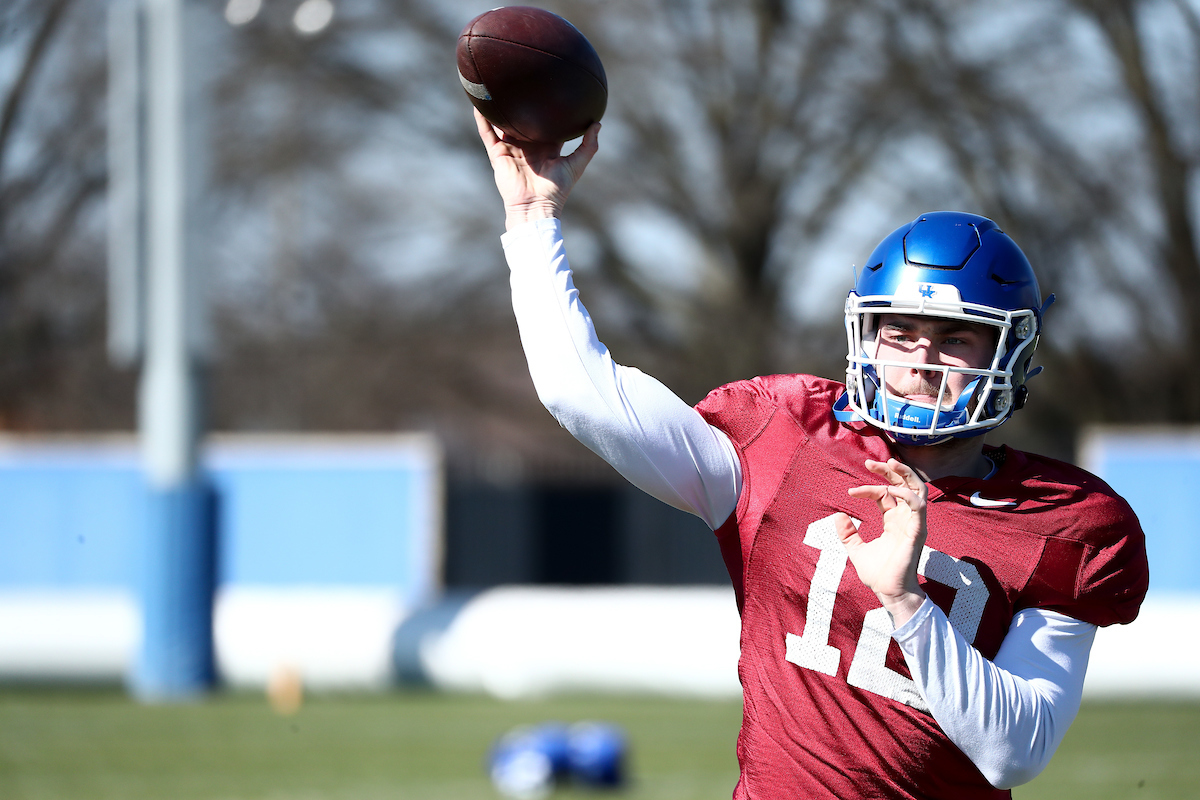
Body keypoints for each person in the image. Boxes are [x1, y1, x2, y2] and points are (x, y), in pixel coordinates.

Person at [473, 110, 1149, 800]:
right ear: (866, 334)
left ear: (1010, 354)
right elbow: (580, 394)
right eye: (901, 331)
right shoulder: (785, 437)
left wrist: (907, 602)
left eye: (956, 337)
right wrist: (532, 215)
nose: (920, 361)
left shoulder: (1064, 521)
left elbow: (1015, 752)